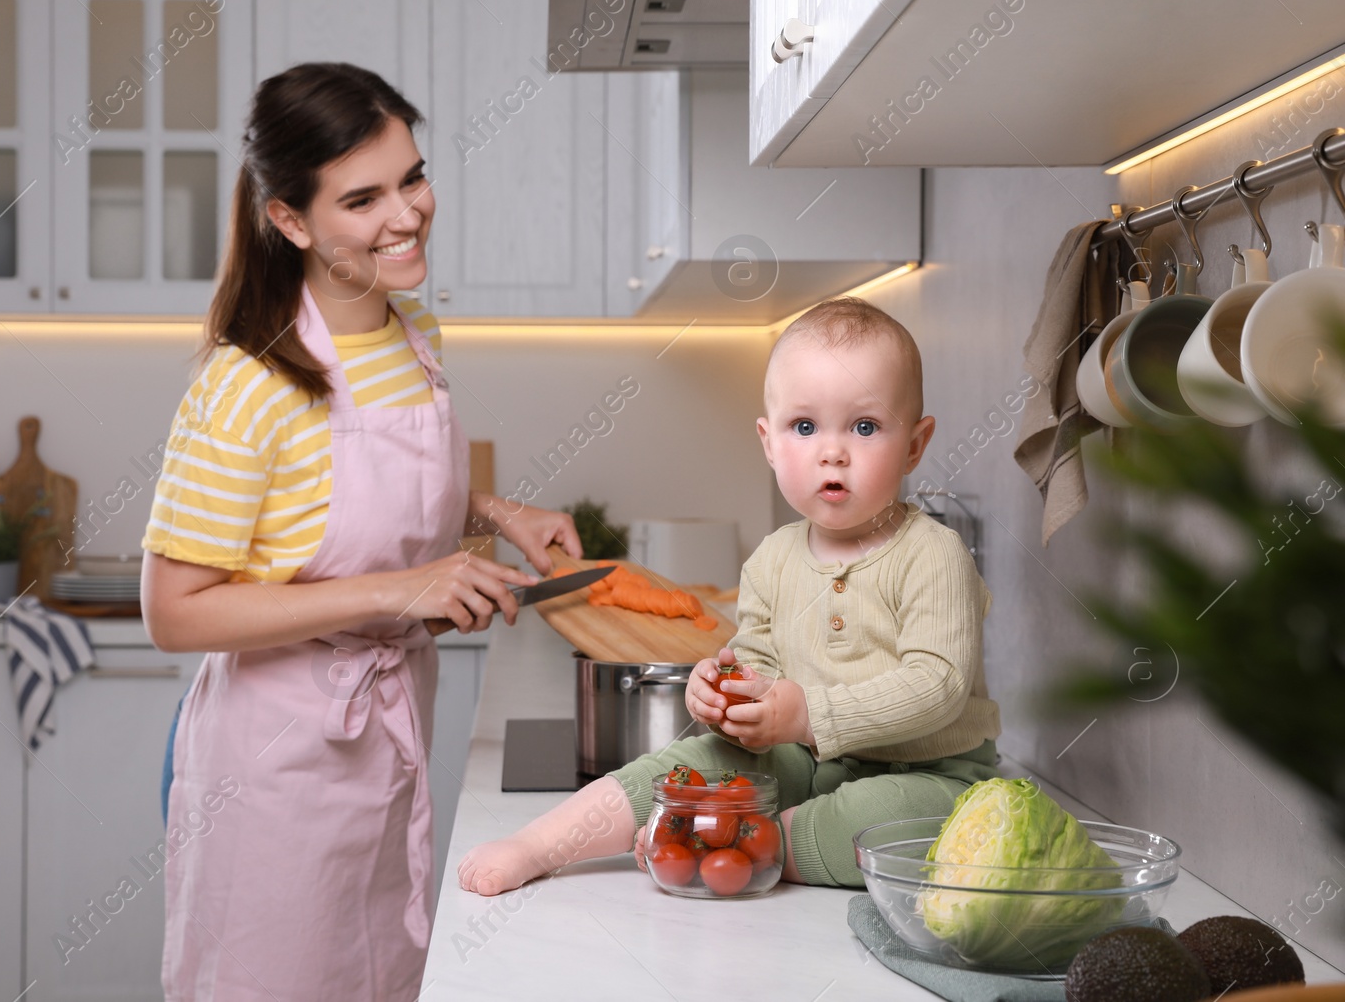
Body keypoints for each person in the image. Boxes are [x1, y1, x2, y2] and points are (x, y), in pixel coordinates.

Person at [140, 62, 582, 1000]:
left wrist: (499, 513)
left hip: (390, 735)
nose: (407, 213)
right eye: (363, 197)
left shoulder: (408, 327)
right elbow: (174, 612)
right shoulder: (246, 382)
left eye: (413, 177)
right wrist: (399, 591)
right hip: (279, 765)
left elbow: (377, 491)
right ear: (291, 220)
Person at [458, 296, 1002, 895]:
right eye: (805, 426)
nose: (832, 451)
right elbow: (759, 669)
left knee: (884, 820)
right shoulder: (771, 558)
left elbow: (938, 686)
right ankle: (540, 844)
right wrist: (724, 696)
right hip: (805, 759)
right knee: (692, 762)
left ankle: (719, 838)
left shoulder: (934, 553)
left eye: (865, 427)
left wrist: (808, 715)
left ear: (915, 445)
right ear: (769, 443)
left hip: (926, 771)